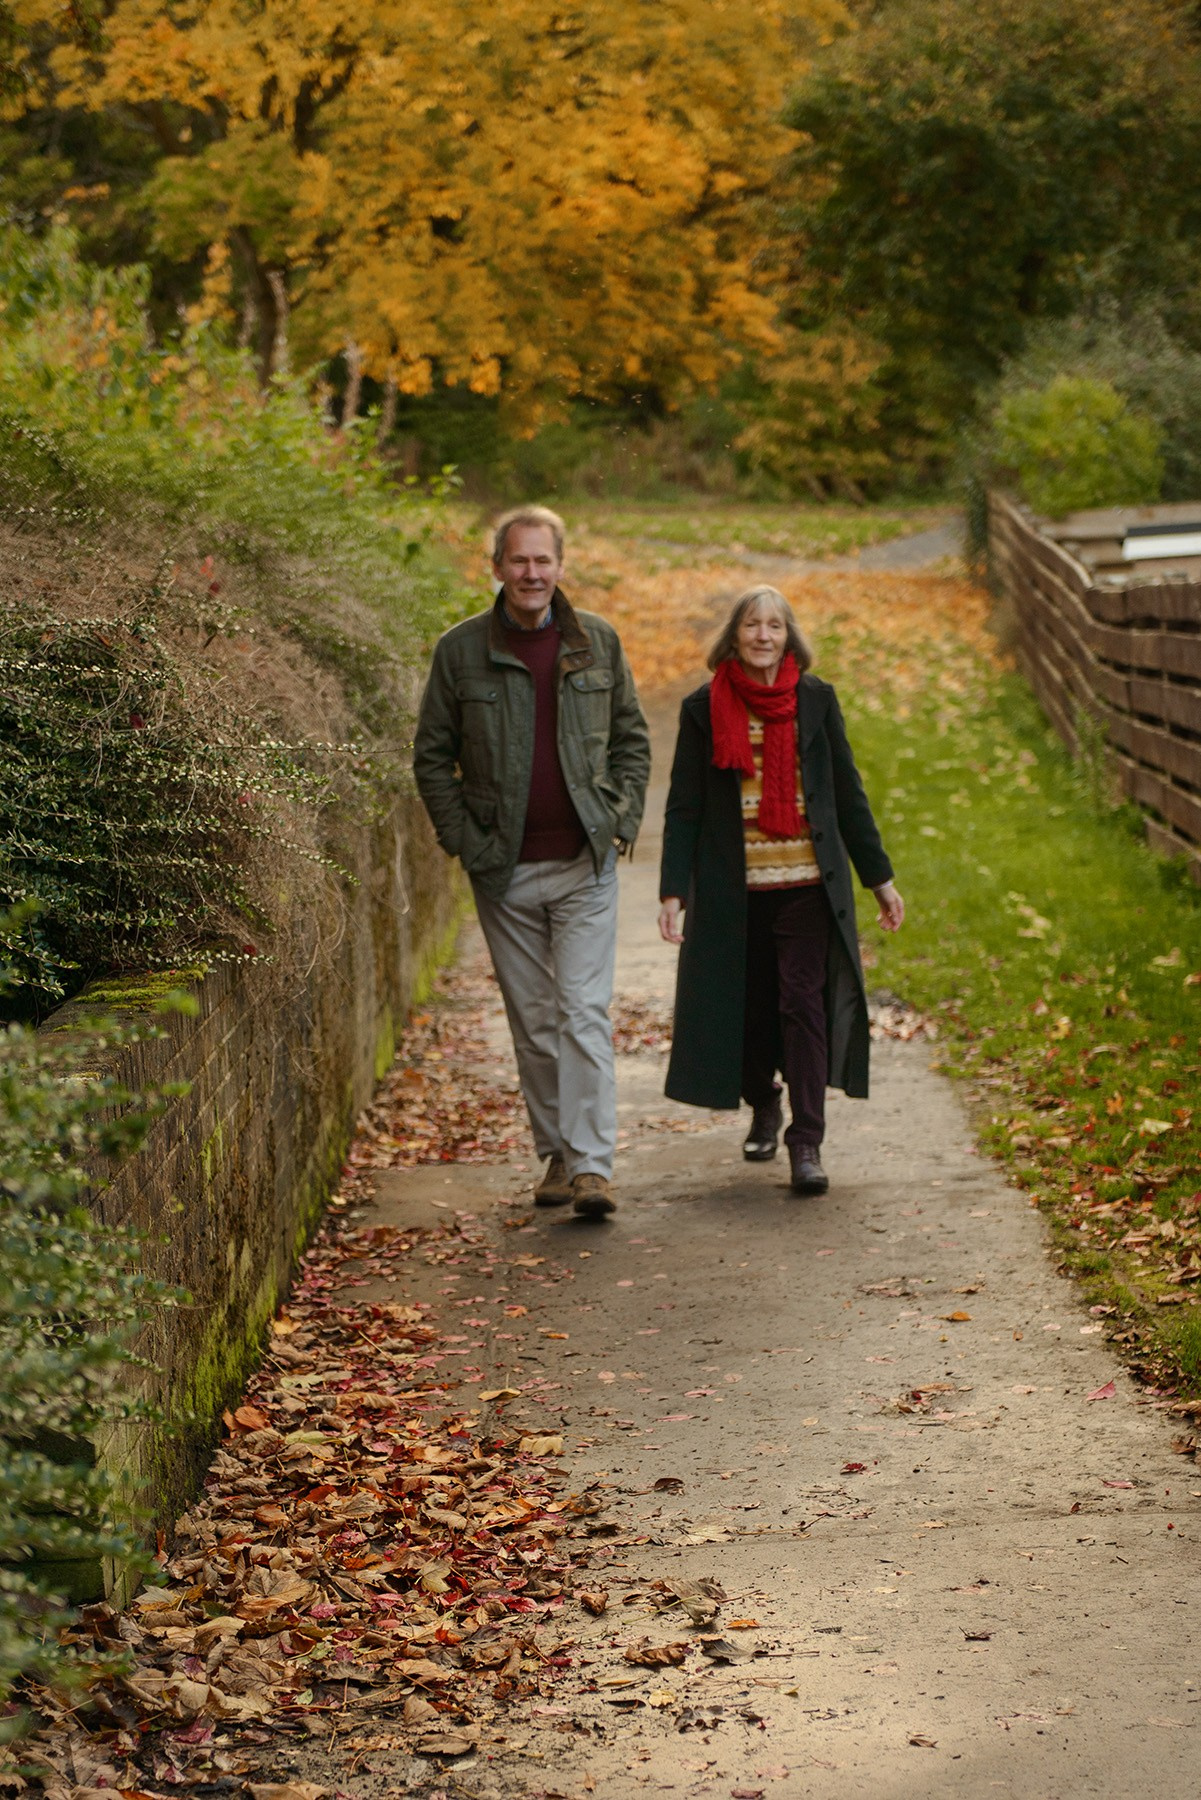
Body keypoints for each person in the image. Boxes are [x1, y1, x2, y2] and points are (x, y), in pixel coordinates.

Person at [414, 505, 650, 1219]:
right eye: (518, 561)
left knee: (581, 1010)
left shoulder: (598, 644)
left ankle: (591, 1169)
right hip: (505, 871)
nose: (531, 573)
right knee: (534, 1018)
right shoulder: (460, 652)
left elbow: (631, 741)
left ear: (559, 567)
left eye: (542, 560)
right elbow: (431, 757)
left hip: (584, 864)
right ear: (496, 567)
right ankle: (556, 1154)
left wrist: (619, 819)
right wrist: (468, 841)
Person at [657, 585, 903, 1195]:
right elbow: (684, 807)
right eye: (751, 625)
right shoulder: (702, 708)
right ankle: (763, 1101)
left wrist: (879, 879)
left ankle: (806, 1142)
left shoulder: (816, 701)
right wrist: (672, 890)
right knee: (743, 1013)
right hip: (731, 892)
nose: (764, 636)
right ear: (733, 636)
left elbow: (847, 793)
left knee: (802, 1008)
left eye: (775, 626)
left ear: (789, 636)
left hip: (805, 886)